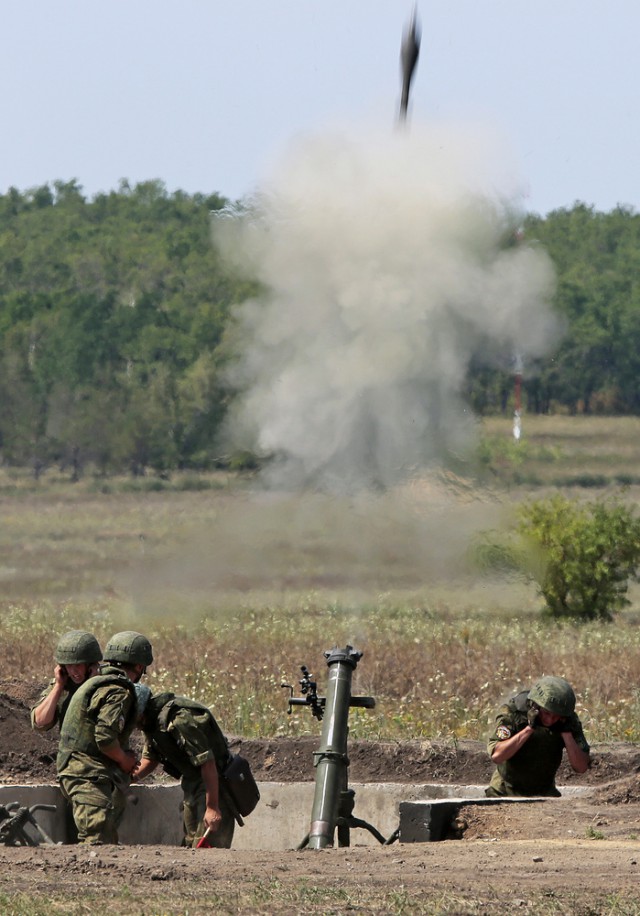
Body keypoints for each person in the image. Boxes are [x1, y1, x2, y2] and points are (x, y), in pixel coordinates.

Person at [56, 631, 153, 844]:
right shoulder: (117, 690)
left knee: (101, 842)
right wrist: (124, 759)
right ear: (139, 667)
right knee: (97, 844)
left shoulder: (98, 681)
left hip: (81, 772)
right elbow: (105, 738)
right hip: (86, 775)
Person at [132, 687, 236, 848]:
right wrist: (127, 778)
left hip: (214, 786)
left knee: (208, 848)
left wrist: (212, 807)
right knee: (191, 843)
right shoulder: (151, 723)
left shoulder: (179, 719)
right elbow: (150, 759)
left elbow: (208, 763)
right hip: (192, 784)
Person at [486, 675, 590, 798]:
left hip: (545, 794)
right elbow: (497, 756)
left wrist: (566, 733)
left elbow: (581, 767)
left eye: (556, 716)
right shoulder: (514, 712)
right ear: (535, 706)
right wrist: (529, 729)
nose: (550, 720)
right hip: (504, 791)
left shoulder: (568, 720)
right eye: (546, 713)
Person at [31, 630, 103, 732]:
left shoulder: (106, 684)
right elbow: (40, 722)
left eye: (78, 665)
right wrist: (58, 686)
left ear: (90, 664)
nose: (74, 671)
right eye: (69, 665)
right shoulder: (64, 684)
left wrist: (93, 683)